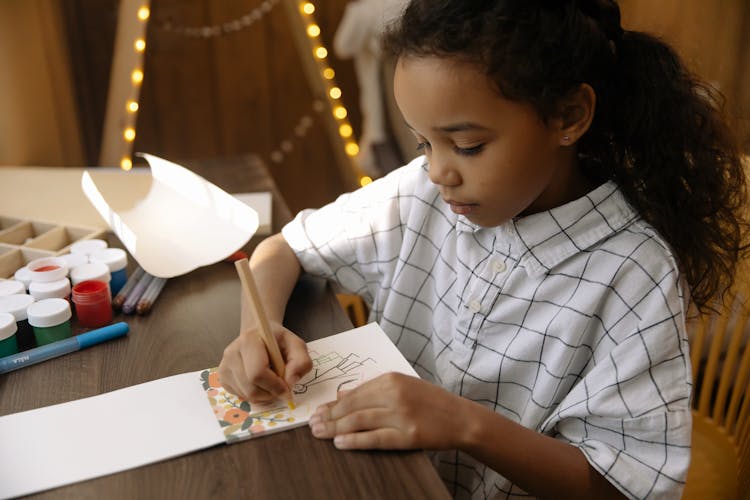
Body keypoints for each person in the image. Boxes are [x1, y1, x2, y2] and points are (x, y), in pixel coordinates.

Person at [218, 1, 748, 498]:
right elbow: (282, 249)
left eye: (468, 146)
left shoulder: (632, 271)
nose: (439, 171)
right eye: (424, 142)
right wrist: (254, 331)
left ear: (568, 117)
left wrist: (464, 424)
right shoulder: (421, 193)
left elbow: (624, 487)